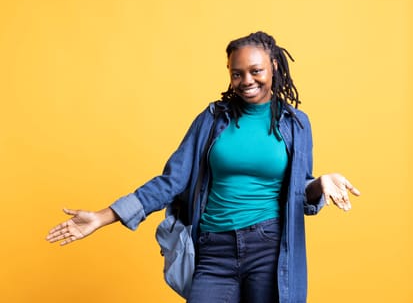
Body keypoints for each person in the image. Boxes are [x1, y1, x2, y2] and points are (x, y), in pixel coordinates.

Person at [46, 31, 361, 303]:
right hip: (214, 248)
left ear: (273, 67)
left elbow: (299, 191)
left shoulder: (295, 125)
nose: (246, 80)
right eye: (237, 73)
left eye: (255, 71)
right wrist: (102, 217)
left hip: (268, 247)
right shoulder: (212, 120)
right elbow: (171, 181)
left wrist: (319, 183)